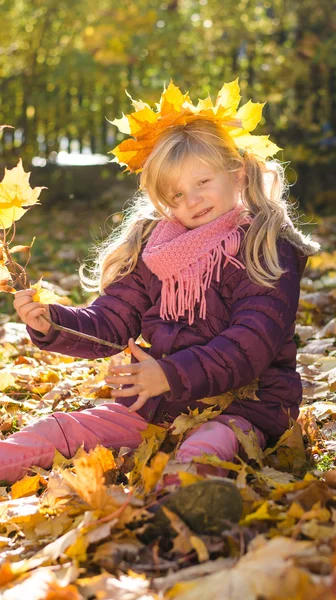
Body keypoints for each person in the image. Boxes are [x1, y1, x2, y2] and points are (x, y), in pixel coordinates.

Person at [5, 81, 320, 487]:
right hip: (159, 406)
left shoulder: (263, 245)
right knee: (60, 430)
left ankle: (178, 513)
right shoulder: (155, 250)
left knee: (201, 452)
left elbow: (251, 342)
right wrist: (53, 324)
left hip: (245, 406)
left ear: (237, 173)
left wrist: (169, 374)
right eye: (176, 194)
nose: (191, 200)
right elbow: (112, 322)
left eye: (202, 183)